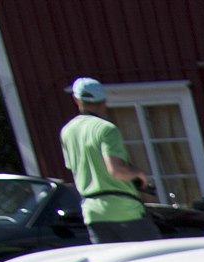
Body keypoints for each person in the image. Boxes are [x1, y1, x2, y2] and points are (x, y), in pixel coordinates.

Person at [59, 77, 158, 243]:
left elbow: (74, 168)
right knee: (155, 260)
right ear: (104, 102)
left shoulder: (67, 131)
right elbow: (117, 171)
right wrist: (138, 174)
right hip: (124, 210)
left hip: (93, 213)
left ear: (76, 99)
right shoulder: (106, 129)